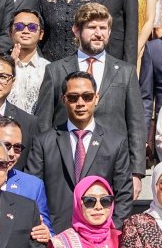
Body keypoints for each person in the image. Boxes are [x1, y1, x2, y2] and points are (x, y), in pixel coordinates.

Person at [33, 4, 147, 186]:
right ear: (76, 30)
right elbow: (44, 121)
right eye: (92, 27)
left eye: (103, 28)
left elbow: (136, 124)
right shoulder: (55, 70)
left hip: (113, 164)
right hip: (66, 162)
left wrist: (137, 172)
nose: (98, 33)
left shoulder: (126, 71)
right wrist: (43, 164)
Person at [30, 70, 135, 235]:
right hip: (55, 235)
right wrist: (44, 229)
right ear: (63, 99)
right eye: (73, 97)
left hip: (100, 235)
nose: (80, 103)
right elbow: (33, 191)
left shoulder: (115, 142)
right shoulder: (44, 142)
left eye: (87, 97)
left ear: (97, 98)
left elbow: (124, 193)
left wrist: (111, 229)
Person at [7, 10, 48, 113]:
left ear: (41, 34)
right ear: (10, 32)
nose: (26, 30)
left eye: (32, 27)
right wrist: (9, 66)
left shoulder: (49, 69)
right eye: (19, 26)